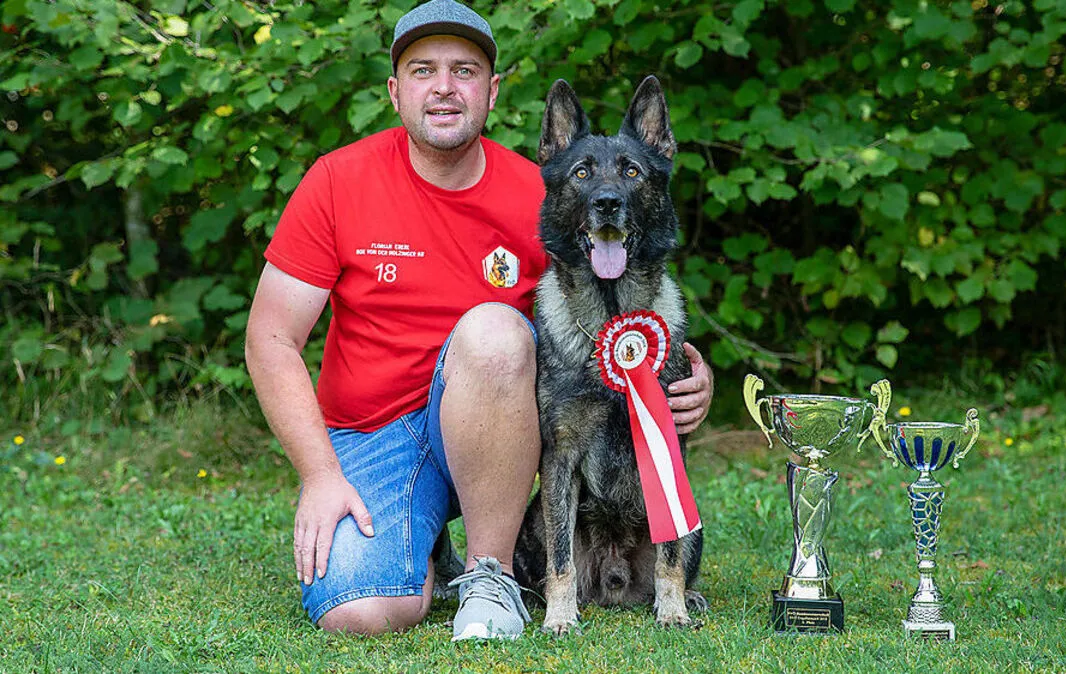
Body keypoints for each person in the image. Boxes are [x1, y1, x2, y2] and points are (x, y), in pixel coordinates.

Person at [244, 0, 714, 640]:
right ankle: (423, 540)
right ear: (395, 91)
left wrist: (678, 380)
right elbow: (270, 339)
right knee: (361, 613)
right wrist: (321, 476)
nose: (444, 87)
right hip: (374, 433)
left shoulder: (547, 195)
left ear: (491, 92)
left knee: (495, 331)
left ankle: (490, 572)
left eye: (464, 71)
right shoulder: (336, 180)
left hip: (497, 430)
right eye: (423, 70)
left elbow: (613, 320)